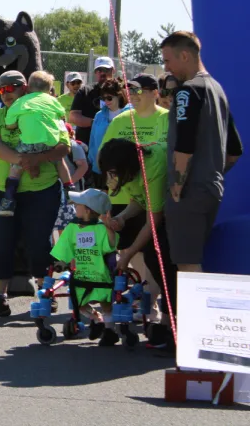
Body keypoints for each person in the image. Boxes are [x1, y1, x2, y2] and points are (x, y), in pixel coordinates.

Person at [0, 72, 69, 318]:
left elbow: (63, 146)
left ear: (25, 88)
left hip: (41, 191)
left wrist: (35, 159)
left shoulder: (46, 110)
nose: (6, 93)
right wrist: (25, 161)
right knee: (0, 243)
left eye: (12, 88)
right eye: (1, 89)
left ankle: (46, 294)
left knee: (38, 244)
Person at [160, 31, 243, 273]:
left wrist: (177, 185)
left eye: (167, 60)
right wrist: (211, 171)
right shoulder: (217, 89)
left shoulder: (188, 91)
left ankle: (191, 313)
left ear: (184, 55)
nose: (166, 67)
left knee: (187, 262)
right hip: (211, 188)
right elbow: (235, 151)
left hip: (188, 192)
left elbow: (184, 145)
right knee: (193, 256)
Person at [96, 138, 176, 350]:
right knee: (152, 258)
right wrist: (121, 217)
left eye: (114, 172)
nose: (111, 178)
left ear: (127, 166)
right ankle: (167, 321)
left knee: (164, 261)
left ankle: (170, 325)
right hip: (160, 209)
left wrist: (128, 254)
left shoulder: (153, 166)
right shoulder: (129, 170)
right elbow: (140, 200)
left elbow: (154, 218)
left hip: (180, 205)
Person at [0, 71, 74, 217]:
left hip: (29, 143)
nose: (6, 93)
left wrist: (19, 122)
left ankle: (8, 199)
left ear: (28, 88)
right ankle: (70, 189)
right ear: (50, 89)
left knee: (16, 167)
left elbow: (10, 124)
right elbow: (62, 115)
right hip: (50, 141)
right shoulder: (54, 101)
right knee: (59, 161)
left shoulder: (21, 103)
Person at [50, 188, 121, 345]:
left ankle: (109, 330)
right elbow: (63, 250)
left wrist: (108, 225)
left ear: (88, 210)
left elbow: (111, 245)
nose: (74, 206)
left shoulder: (100, 228)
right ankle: (98, 319)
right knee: (81, 303)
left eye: (78, 204)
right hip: (86, 274)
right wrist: (58, 261)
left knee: (101, 303)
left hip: (97, 274)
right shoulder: (73, 228)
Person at [87, 78, 131, 178]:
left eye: (109, 98)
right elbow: (93, 140)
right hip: (100, 168)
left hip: (123, 168)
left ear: (119, 95)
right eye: (103, 98)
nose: (106, 101)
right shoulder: (99, 115)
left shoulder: (131, 114)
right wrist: (92, 160)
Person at [70, 56, 116, 145]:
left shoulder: (121, 92)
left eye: (106, 70)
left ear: (113, 70)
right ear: (95, 72)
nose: (102, 73)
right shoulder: (85, 91)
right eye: (99, 70)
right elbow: (73, 117)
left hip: (114, 143)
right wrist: (98, 123)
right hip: (87, 143)